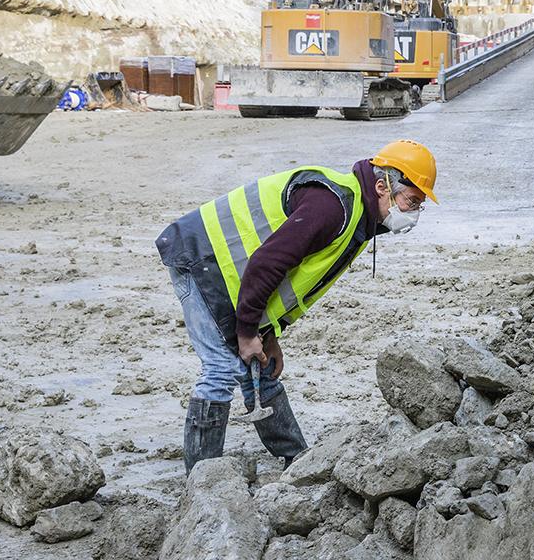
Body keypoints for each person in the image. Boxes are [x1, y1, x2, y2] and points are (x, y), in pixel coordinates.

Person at [155, 140, 438, 473]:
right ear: (381, 187)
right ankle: (201, 481)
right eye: (412, 201)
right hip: (202, 258)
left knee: (259, 365)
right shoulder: (334, 208)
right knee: (221, 369)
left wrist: (269, 334)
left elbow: (289, 284)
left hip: (231, 272)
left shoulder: (359, 219)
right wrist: (247, 331)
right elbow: (266, 264)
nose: (414, 214)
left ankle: (297, 463)